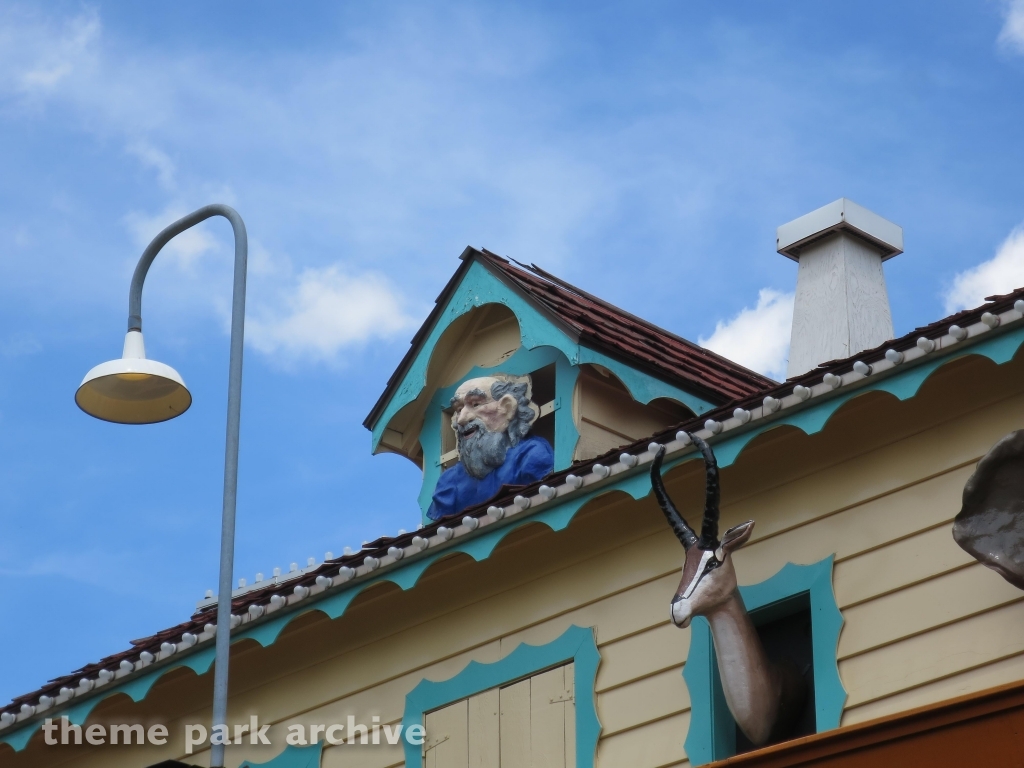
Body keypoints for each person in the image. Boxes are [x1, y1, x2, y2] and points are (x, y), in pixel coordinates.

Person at [427, 374, 553, 521]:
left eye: (475, 404)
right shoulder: (449, 482)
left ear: (506, 407)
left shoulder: (530, 456)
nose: (461, 419)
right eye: (459, 409)